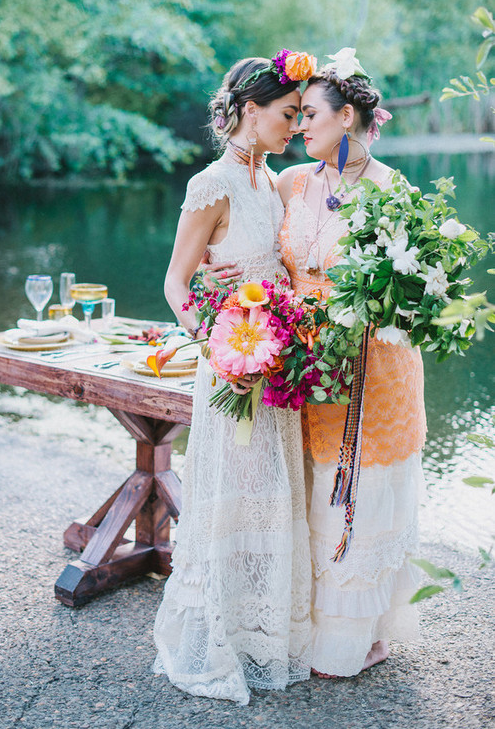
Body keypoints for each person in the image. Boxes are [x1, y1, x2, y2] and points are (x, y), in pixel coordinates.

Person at [153, 53, 313, 705]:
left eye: (303, 115)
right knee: (230, 497)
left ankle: (261, 634)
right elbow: (175, 281)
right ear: (249, 111)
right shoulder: (210, 186)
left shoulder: (273, 185)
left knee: (271, 495)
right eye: (287, 114)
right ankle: (216, 638)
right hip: (230, 369)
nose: (296, 126)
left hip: (275, 371)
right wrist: (218, 346)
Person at [276, 51, 427, 678]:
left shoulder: (395, 190)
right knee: (313, 484)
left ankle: (356, 635)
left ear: (349, 117)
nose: (299, 125)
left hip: (374, 364)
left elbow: (414, 295)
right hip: (306, 362)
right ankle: (309, 620)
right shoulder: (291, 184)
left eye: (309, 114)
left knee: (359, 487)